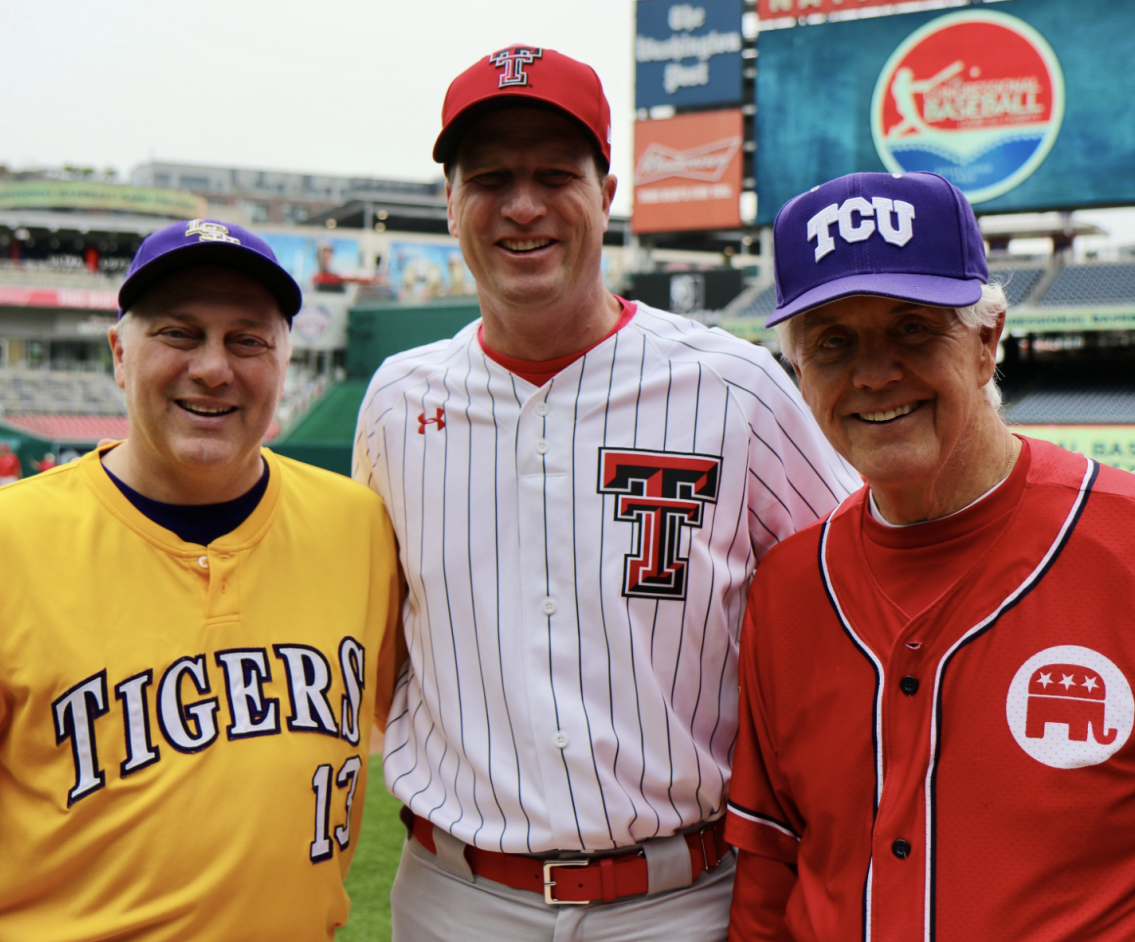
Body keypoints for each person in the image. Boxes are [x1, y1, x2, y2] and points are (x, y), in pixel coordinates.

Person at [724, 172, 1135, 941]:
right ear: (799, 371)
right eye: (833, 342)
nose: (874, 373)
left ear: (987, 342)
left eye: (913, 328)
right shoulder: (787, 590)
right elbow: (770, 876)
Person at [353, 45, 857, 941]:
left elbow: (862, 591)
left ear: (607, 193)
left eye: (555, 174)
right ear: (449, 202)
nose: (522, 205)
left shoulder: (736, 387)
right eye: (490, 178)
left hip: (682, 897)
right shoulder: (398, 399)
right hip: (454, 899)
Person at [0, 218, 402, 942]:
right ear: (119, 353)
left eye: (247, 339)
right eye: (178, 333)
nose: (212, 367)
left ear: (285, 363)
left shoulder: (357, 529)